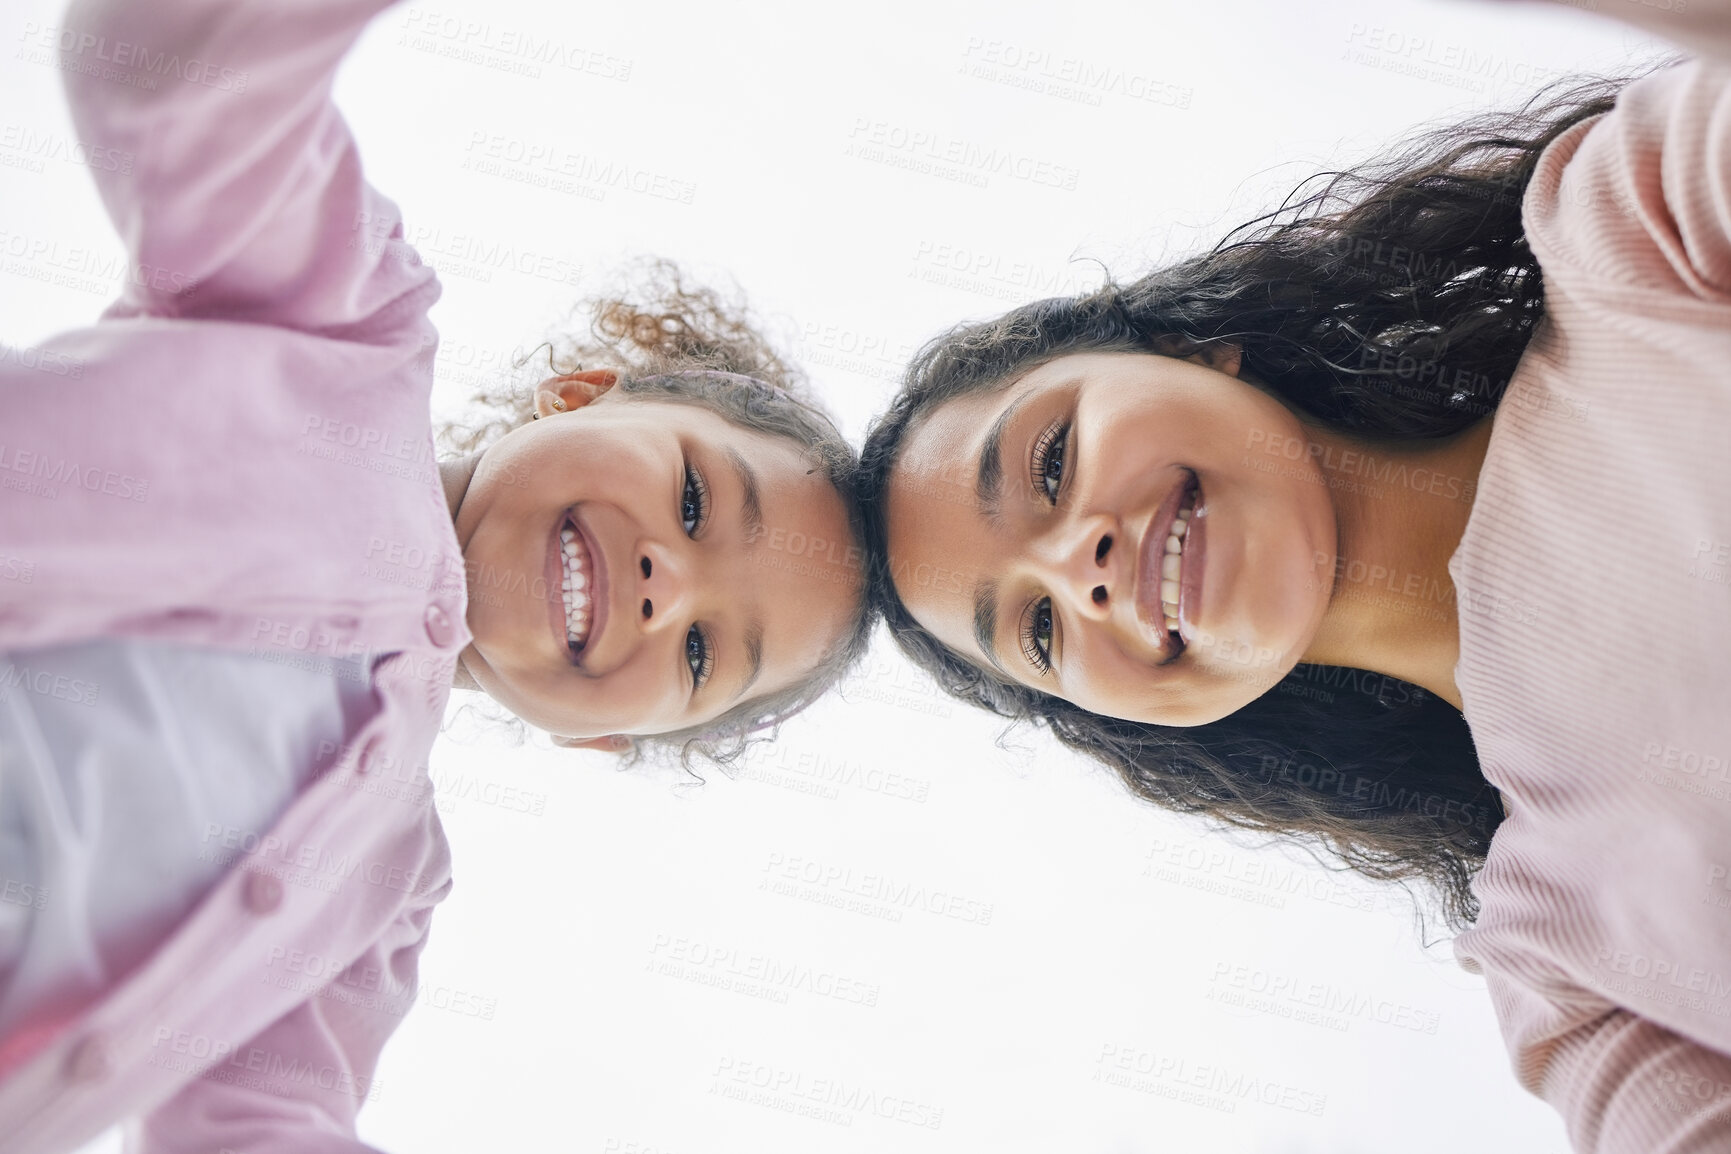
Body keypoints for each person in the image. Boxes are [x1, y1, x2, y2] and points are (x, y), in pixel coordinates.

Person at [856, 2, 1731, 1149]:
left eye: (1052, 460)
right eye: (1035, 630)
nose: (1081, 566)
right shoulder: (1562, 965)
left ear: (1183, 348)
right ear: (1142, 723)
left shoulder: (1633, 231)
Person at [0, 0, 865, 1149]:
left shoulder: (381, 891)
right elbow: (167, 78)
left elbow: (262, 1120)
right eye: (698, 500)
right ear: (586, 390)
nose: (671, 583)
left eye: (704, 652)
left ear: (601, 740)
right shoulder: (341, 329)